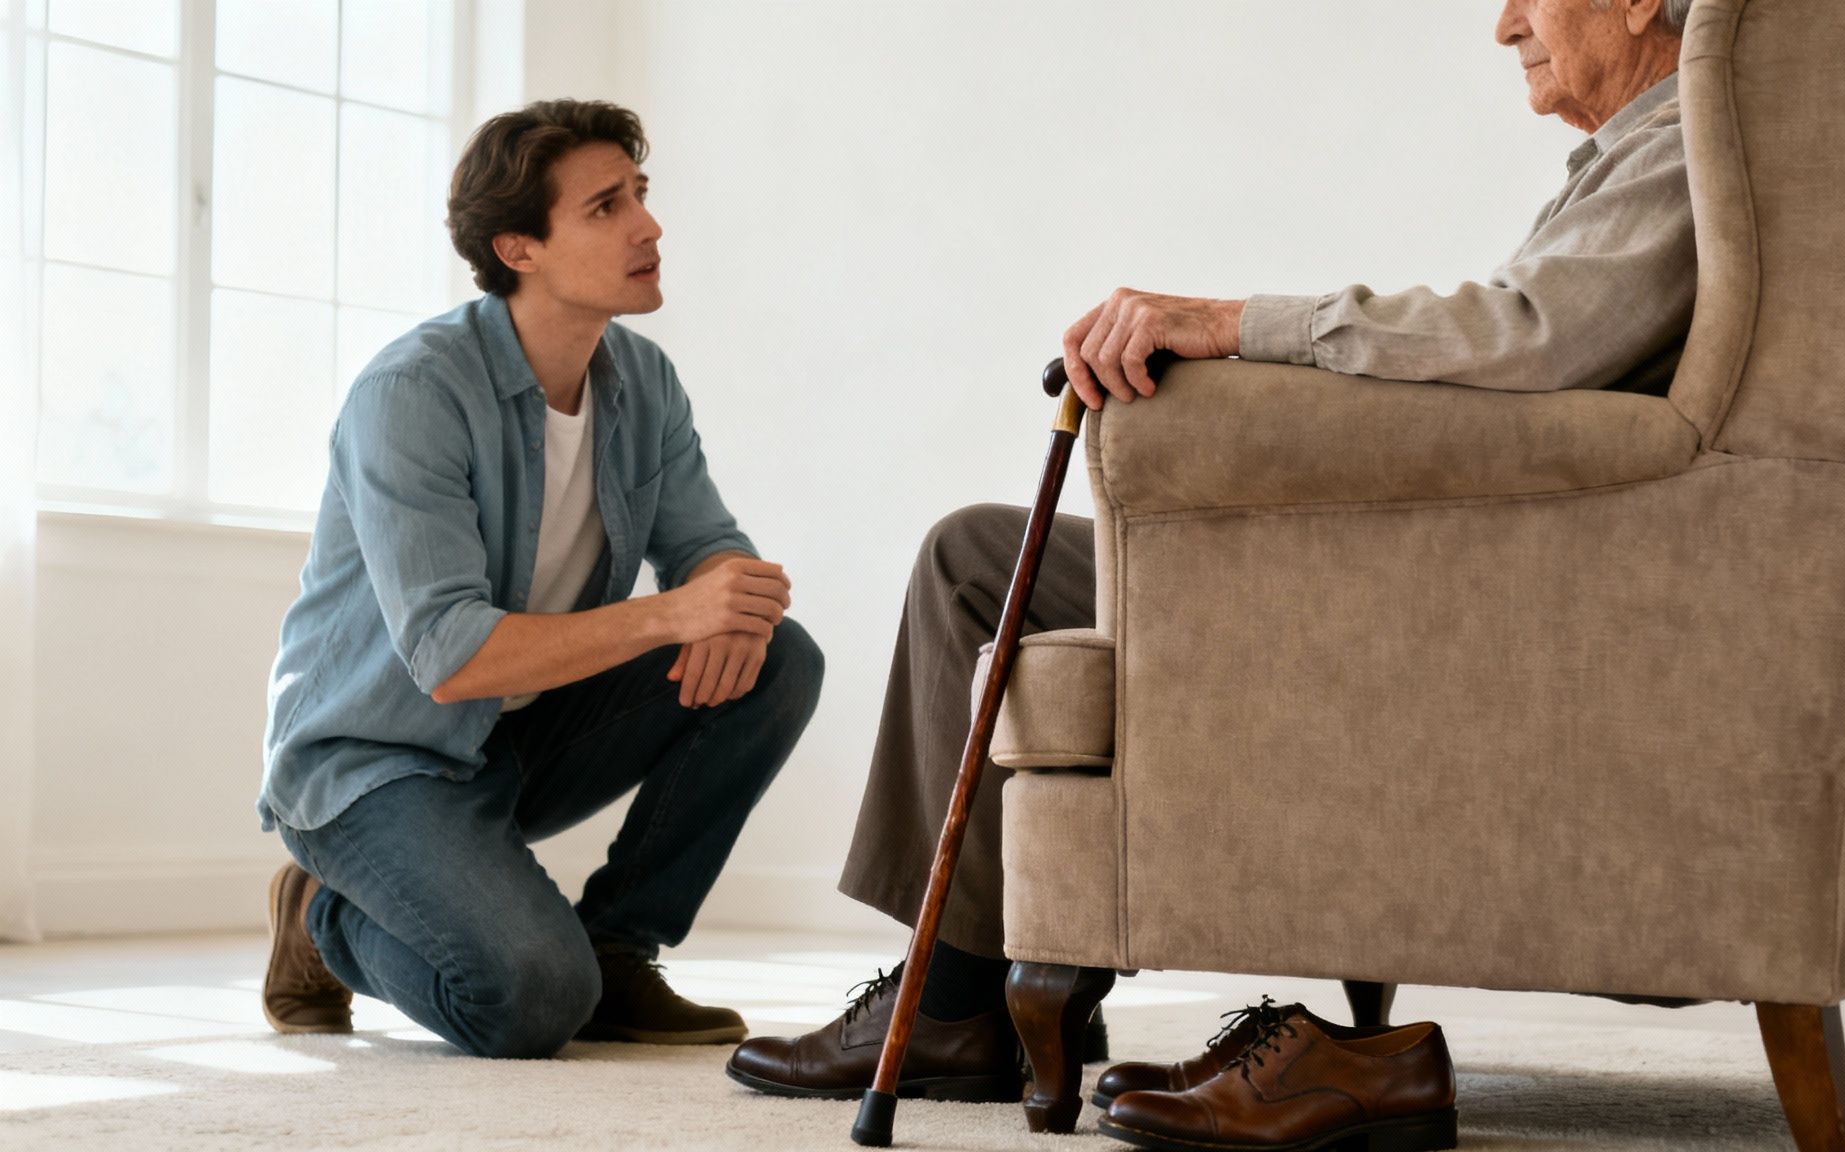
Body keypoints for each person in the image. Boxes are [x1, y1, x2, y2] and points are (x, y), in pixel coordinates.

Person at [730, 2, 1694, 1149]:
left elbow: (1529, 335)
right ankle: (960, 998)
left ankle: (948, 1008)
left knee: (971, 566)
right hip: (1471, 564)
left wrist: (1235, 326)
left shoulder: (1688, 140)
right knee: (974, 552)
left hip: (1454, 595)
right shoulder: (1658, 149)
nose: (1501, 27)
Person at [256, 99, 824, 1060]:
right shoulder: (412, 393)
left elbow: (710, 545)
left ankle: (620, 946)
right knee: (528, 1002)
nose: (648, 225)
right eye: (606, 207)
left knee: (776, 660)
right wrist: (679, 610)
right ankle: (331, 915)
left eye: (641, 195)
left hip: (519, 737)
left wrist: (729, 598)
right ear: (518, 247)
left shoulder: (642, 382)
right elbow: (449, 655)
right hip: (376, 762)